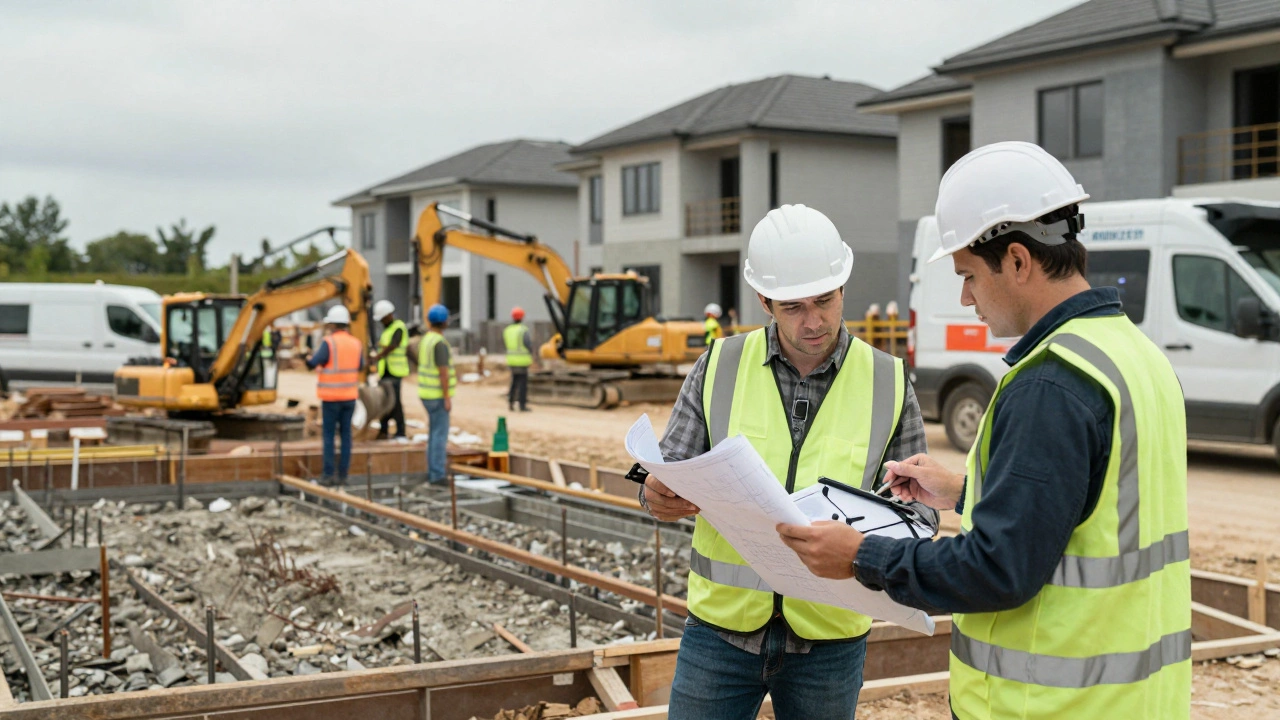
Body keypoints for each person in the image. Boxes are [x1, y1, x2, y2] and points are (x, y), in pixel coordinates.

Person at [777, 142, 1191, 719]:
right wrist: (965, 492)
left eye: (968, 275)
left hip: (1047, 705)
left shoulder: (1050, 383)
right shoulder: (1132, 355)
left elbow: (997, 569)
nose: (965, 296)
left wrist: (863, 556)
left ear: (1018, 261)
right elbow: (1088, 514)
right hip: (1138, 700)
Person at [640, 204, 937, 720]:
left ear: (843, 287)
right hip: (719, 634)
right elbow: (664, 470)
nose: (813, 320)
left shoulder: (888, 381)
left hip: (830, 639)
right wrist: (654, 493)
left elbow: (919, 514)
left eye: (824, 300)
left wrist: (869, 545)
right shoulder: (719, 366)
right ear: (765, 301)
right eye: (794, 306)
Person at [305, 305, 364, 486]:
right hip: (349, 397)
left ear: (332, 324)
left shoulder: (329, 343)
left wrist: (308, 359)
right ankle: (343, 475)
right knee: (346, 436)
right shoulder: (356, 343)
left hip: (331, 398)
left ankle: (328, 475)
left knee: (329, 437)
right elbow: (360, 365)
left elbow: (315, 362)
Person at [418, 303, 456, 484]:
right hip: (437, 395)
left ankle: (433, 470)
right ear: (444, 322)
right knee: (439, 436)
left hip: (426, 394)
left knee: (434, 434)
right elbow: (443, 373)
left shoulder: (427, 339)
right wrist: (447, 397)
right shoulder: (439, 343)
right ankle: (437, 474)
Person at [368, 299, 408, 441]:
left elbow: (393, 345)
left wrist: (377, 357)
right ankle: (383, 430)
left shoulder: (398, 327)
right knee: (385, 402)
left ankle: (401, 432)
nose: (381, 322)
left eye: (382, 318)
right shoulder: (387, 330)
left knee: (395, 403)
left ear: (388, 315)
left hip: (395, 372)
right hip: (385, 371)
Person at [504, 306, 535, 412]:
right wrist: (531, 353)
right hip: (522, 361)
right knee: (522, 384)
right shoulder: (523, 330)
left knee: (514, 382)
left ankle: (511, 402)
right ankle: (522, 405)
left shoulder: (508, 330)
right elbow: (528, 344)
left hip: (511, 360)